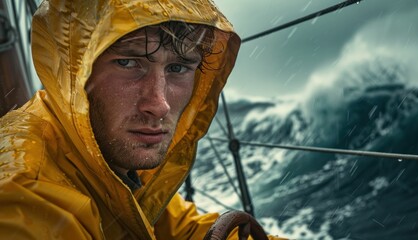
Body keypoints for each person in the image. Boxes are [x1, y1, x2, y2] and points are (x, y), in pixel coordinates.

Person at [0, 0, 287, 239]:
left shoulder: (109, 160)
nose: (159, 105)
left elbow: (174, 227)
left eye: (177, 68)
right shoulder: (24, 198)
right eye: (128, 63)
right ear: (77, 73)